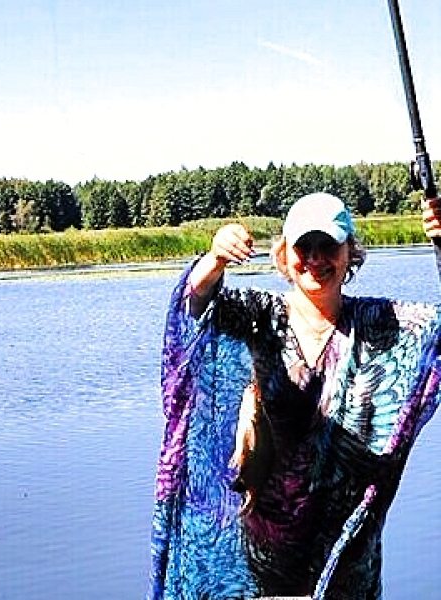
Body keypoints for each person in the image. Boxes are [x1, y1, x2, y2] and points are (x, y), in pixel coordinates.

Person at [148, 192, 441, 600]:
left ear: (350, 253)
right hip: (262, 559)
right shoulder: (258, 317)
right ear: (284, 255)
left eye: (329, 246)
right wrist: (214, 259)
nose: (316, 258)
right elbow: (193, 308)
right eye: (304, 246)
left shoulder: (383, 326)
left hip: (346, 559)